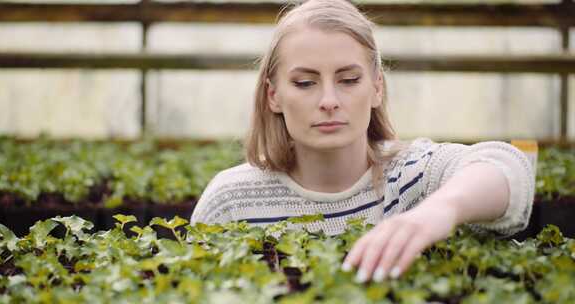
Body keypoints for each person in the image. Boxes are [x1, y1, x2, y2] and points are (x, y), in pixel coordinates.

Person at [190, 0, 534, 284]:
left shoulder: (412, 177)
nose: (329, 100)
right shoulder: (231, 200)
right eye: (305, 83)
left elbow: (508, 169)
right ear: (273, 95)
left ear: (377, 87)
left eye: (349, 79)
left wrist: (437, 212)